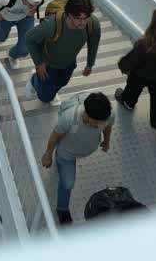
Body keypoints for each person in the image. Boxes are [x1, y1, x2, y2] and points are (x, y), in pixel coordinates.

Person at [40, 92, 114, 225]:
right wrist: (48, 155)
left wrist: (107, 141)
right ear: (86, 114)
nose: (100, 124)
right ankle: (62, 209)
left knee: (66, 178)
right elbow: (55, 137)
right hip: (66, 153)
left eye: (101, 121)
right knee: (67, 184)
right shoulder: (69, 118)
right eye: (96, 122)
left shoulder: (107, 116)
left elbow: (108, 126)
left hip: (84, 149)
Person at [25, 0, 101, 104]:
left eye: (86, 18)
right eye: (78, 18)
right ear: (69, 14)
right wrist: (38, 63)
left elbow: (93, 43)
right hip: (48, 63)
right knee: (45, 98)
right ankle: (34, 79)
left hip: (68, 62)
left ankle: (50, 90)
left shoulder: (92, 24)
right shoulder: (51, 25)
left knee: (62, 82)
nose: (83, 23)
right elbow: (29, 38)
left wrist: (90, 64)